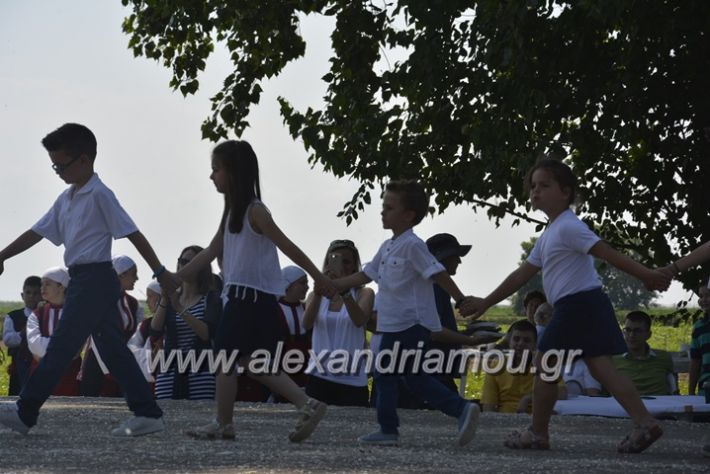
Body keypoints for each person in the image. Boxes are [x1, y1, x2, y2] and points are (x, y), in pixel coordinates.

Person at [465, 158, 670, 453]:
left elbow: (606, 252)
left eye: (545, 185)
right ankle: (644, 423)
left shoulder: (568, 227)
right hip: (589, 305)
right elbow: (522, 274)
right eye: (533, 186)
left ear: (566, 192)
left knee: (545, 363)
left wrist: (647, 275)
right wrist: (486, 302)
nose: (536, 191)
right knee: (603, 369)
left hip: (577, 305)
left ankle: (537, 433)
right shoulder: (550, 233)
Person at [0, 123, 175, 437]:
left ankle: (25, 412)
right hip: (84, 279)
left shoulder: (100, 194)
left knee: (63, 344)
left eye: (61, 165)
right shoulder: (66, 197)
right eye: (53, 165)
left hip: (94, 279)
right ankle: (147, 412)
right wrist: (2, 255)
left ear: (83, 160)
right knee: (112, 349)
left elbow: (132, 232)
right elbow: (36, 232)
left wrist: (161, 272)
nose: (57, 171)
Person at [179, 140, 337, 442]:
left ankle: (226, 422)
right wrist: (175, 276)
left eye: (216, 170)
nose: (211, 177)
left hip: (247, 298)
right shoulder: (231, 215)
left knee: (227, 358)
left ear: (233, 173)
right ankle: (306, 404)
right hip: (249, 299)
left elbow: (288, 246)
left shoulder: (255, 211)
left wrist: (319, 277)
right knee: (249, 363)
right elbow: (212, 251)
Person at [334, 179, 480, 447]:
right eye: (383, 206)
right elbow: (366, 274)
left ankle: (393, 428)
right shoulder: (388, 246)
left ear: (408, 215)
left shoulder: (413, 245)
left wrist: (460, 299)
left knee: (389, 375)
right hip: (392, 326)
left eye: (389, 207)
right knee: (407, 378)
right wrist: (335, 284)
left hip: (410, 325)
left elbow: (437, 272)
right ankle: (457, 410)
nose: (382, 212)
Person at [302, 240, 374, 407]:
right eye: (335, 261)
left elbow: (359, 320)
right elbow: (306, 325)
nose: (341, 266)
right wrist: (319, 293)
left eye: (347, 262)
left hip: (353, 378)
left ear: (355, 266)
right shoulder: (314, 295)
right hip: (319, 375)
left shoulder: (364, 293)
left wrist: (345, 292)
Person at [151, 245, 221, 400]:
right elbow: (155, 331)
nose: (183, 265)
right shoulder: (171, 299)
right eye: (181, 261)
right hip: (169, 372)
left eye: (189, 262)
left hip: (201, 372)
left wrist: (179, 308)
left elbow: (206, 333)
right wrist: (165, 298)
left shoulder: (211, 299)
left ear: (201, 267)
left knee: (198, 420)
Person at [80, 255, 143, 397]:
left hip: (125, 360)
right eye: (134, 274)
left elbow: (137, 334)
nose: (137, 278)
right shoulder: (96, 298)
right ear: (122, 274)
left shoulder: (133, 304)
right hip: (97, 361)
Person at [481, 320, 565, 413]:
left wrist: (529, 398)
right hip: (506, 419)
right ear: (509, 342)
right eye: (516, 339)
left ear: (534, 345)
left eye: (527, 340)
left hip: (536, 417)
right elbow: (488, 405)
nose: (520, 344)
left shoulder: (543, 364)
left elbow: (562, 391)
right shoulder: (496, 365)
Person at [26, 268, 80, 396]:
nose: (42, 288)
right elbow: (34, 344)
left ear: (61, 287)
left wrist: (47, 350)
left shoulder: (76, 314)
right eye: (42, 284)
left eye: (47, 284)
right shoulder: (37, 314)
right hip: (41, 372)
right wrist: (62, 350)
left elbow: (75, 345)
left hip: (69, 374)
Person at [612, 311, 676, 395]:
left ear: (648, 335)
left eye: (637, 331)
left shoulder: (664, 357)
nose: (631, 335)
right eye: (627, 330)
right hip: (625, 406)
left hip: (658, 406)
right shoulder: (613, 359)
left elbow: (673, 387)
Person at [3, 276, 41, 395]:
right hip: (18, 367)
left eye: (36, 293)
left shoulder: (46, 315)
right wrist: (23, 334)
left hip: (40, 365)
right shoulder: (13, 316)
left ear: (41, 295)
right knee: (17, 395)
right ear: (22, 295)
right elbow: (8, 340)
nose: (31, 296)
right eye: (28, 292)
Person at [277, 265, 311, 391]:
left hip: (306, 371)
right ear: (288, 285)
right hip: (282, 371)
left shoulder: (308, 309)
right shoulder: (274, 309)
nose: (307, 287)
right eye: (302, 283)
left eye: (307, 283)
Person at [127, 279, 162, 386]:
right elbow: (132, 348)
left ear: (161, 298)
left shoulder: (176, 322)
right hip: (148, 383)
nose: (147, 301)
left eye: (150, 296)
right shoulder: (145, 325)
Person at [689, 282, 710, 396]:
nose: (704, 300)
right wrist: (691, 392)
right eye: (701, 296)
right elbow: (695, 362)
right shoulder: (699, 327)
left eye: (708, 295)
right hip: (706, 391)